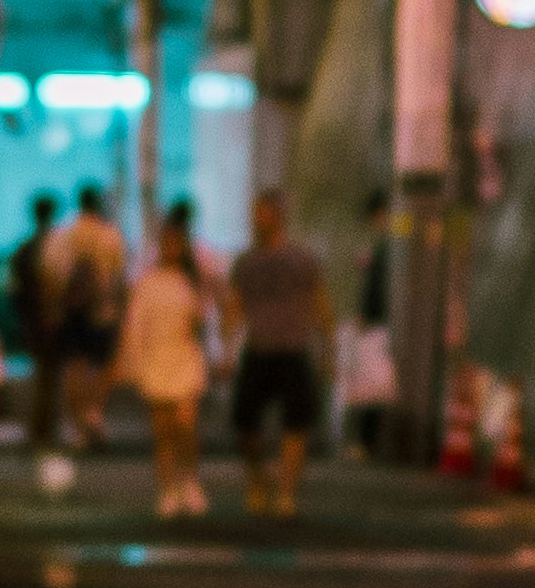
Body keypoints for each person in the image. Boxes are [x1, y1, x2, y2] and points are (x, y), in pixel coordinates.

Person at [225, 187, 336, 525]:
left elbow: (320, 302)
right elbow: (234, 305)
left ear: (278, 215)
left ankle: (286, 491)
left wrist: (328, 347)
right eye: (255, 213)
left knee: (297, 423)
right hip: (258, 349)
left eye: (263, 212)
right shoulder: (246, 262)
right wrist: (226, 345)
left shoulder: (301, 259)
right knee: (245, 424)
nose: (257, 219)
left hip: (293, 348)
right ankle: (258, 479)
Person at [116, 207, 219, 519]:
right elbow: (135, 325)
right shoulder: (148, 283)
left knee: (186, 424)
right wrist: (130, 361)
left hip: (184, 357)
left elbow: (204, 322)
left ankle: (190, 480)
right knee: (163, 431)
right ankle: (168, 488)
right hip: (157, 359)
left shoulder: (192, 281)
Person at [40, 187, 128, 461]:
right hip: (104, 310)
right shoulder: (110, 235)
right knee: (104, 365)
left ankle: (80, 424)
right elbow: (120, 274)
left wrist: (55, 306)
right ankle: (94, 412)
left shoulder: (64, 234)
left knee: (75, 367)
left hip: (72, 312)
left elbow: (50, 271)